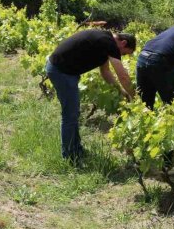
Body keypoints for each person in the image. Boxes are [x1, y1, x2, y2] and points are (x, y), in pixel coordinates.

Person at [46, 29, 137, 161]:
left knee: (73, 113)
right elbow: (122, 76)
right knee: (70, 115)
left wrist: (121, 91)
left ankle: (76, 150)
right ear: (123, 43)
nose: (120, 55)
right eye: (124, 53)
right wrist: (134, 97)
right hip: (61, 72)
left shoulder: (105, 40)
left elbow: (105, 72)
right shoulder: (109, 43)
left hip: (65, 71)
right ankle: (70, 157)